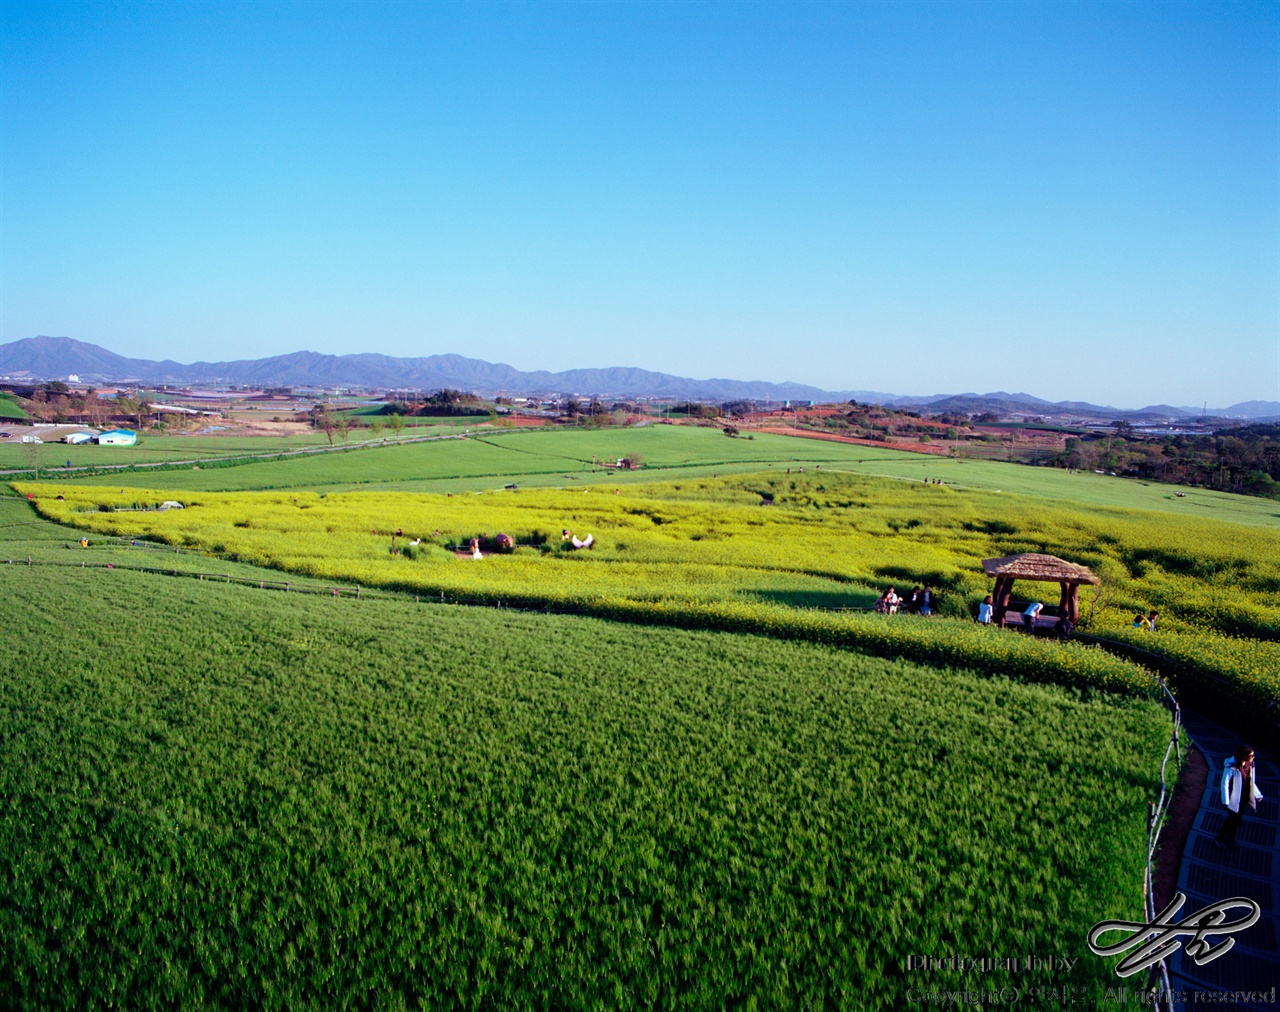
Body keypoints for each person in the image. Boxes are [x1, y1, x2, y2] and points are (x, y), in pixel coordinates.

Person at [1216, 746, 1263, 848]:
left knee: (1236, 820)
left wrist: (1257, 794)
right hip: (1234, 799)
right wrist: (1226, 800)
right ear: (1244, 755)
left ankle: (1230, 839)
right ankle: (1220, 838)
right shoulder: (1231, 766)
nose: (1253, 757)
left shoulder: (1250, 765)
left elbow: (1251, 782)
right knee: (1232, 820)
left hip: (1244, 798)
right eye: (1251, 755)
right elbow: (1225, 783)